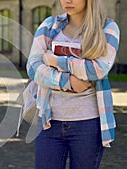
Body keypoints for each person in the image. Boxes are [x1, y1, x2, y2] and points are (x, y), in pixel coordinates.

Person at [26, 0, 120, 168]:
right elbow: (33, 68)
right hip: (48, 122)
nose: (67, 0)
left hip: (88, 124)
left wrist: (55, 60)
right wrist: (67, 82)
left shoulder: (107, 27)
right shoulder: (50, 25)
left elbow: (97, 70)